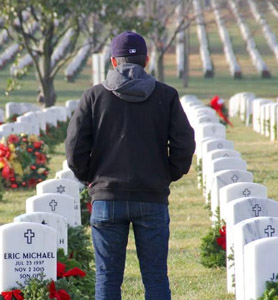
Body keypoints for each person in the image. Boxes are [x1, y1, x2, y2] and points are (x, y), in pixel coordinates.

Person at [65, 31, 195, 300]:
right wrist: (166, 174)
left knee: (108, 278)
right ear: (146, 61)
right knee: (156, 276)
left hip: (106, 197)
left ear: (113, 61)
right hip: (152, 197)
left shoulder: (93, 96)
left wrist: (92, 178)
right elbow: (184, 143)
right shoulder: (167, 96)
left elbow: (75, 147)